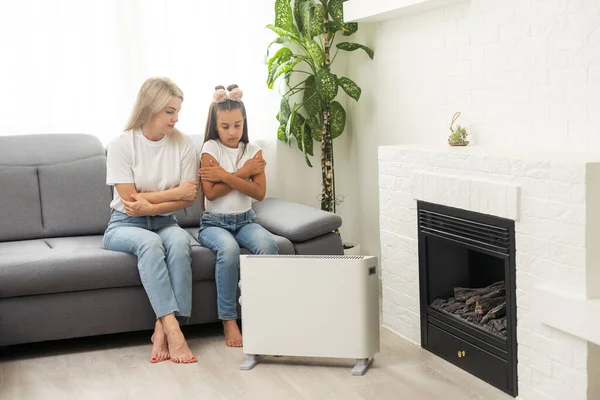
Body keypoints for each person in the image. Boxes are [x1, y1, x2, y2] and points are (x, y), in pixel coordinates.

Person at [103, 77, 199, 364]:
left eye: (178, 111)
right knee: (151, 244)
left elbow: (189, 198)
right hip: (123, 224)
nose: (176, 118)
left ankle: (161, 328)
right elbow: (130, 202)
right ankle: (174, 328)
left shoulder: (182, 143)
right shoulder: (122, 145)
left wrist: (152, 201)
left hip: (166, 221)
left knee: (181, 241)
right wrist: (175, 193)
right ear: (151, 107)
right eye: (169, 111)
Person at [197, 84, 279, 347]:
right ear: (215, 125)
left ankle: (263, 314)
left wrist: (225, 175)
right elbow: (211, 193)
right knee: (229, 251)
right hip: (214, 224)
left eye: (237, 125)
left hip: (246, 220)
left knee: (269, 246)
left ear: (244, 122)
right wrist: (244, 172)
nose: (232, 132)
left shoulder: (253, 150)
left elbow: (259, 193)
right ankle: (228, 320)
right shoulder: (210, 148)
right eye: (225, 127)